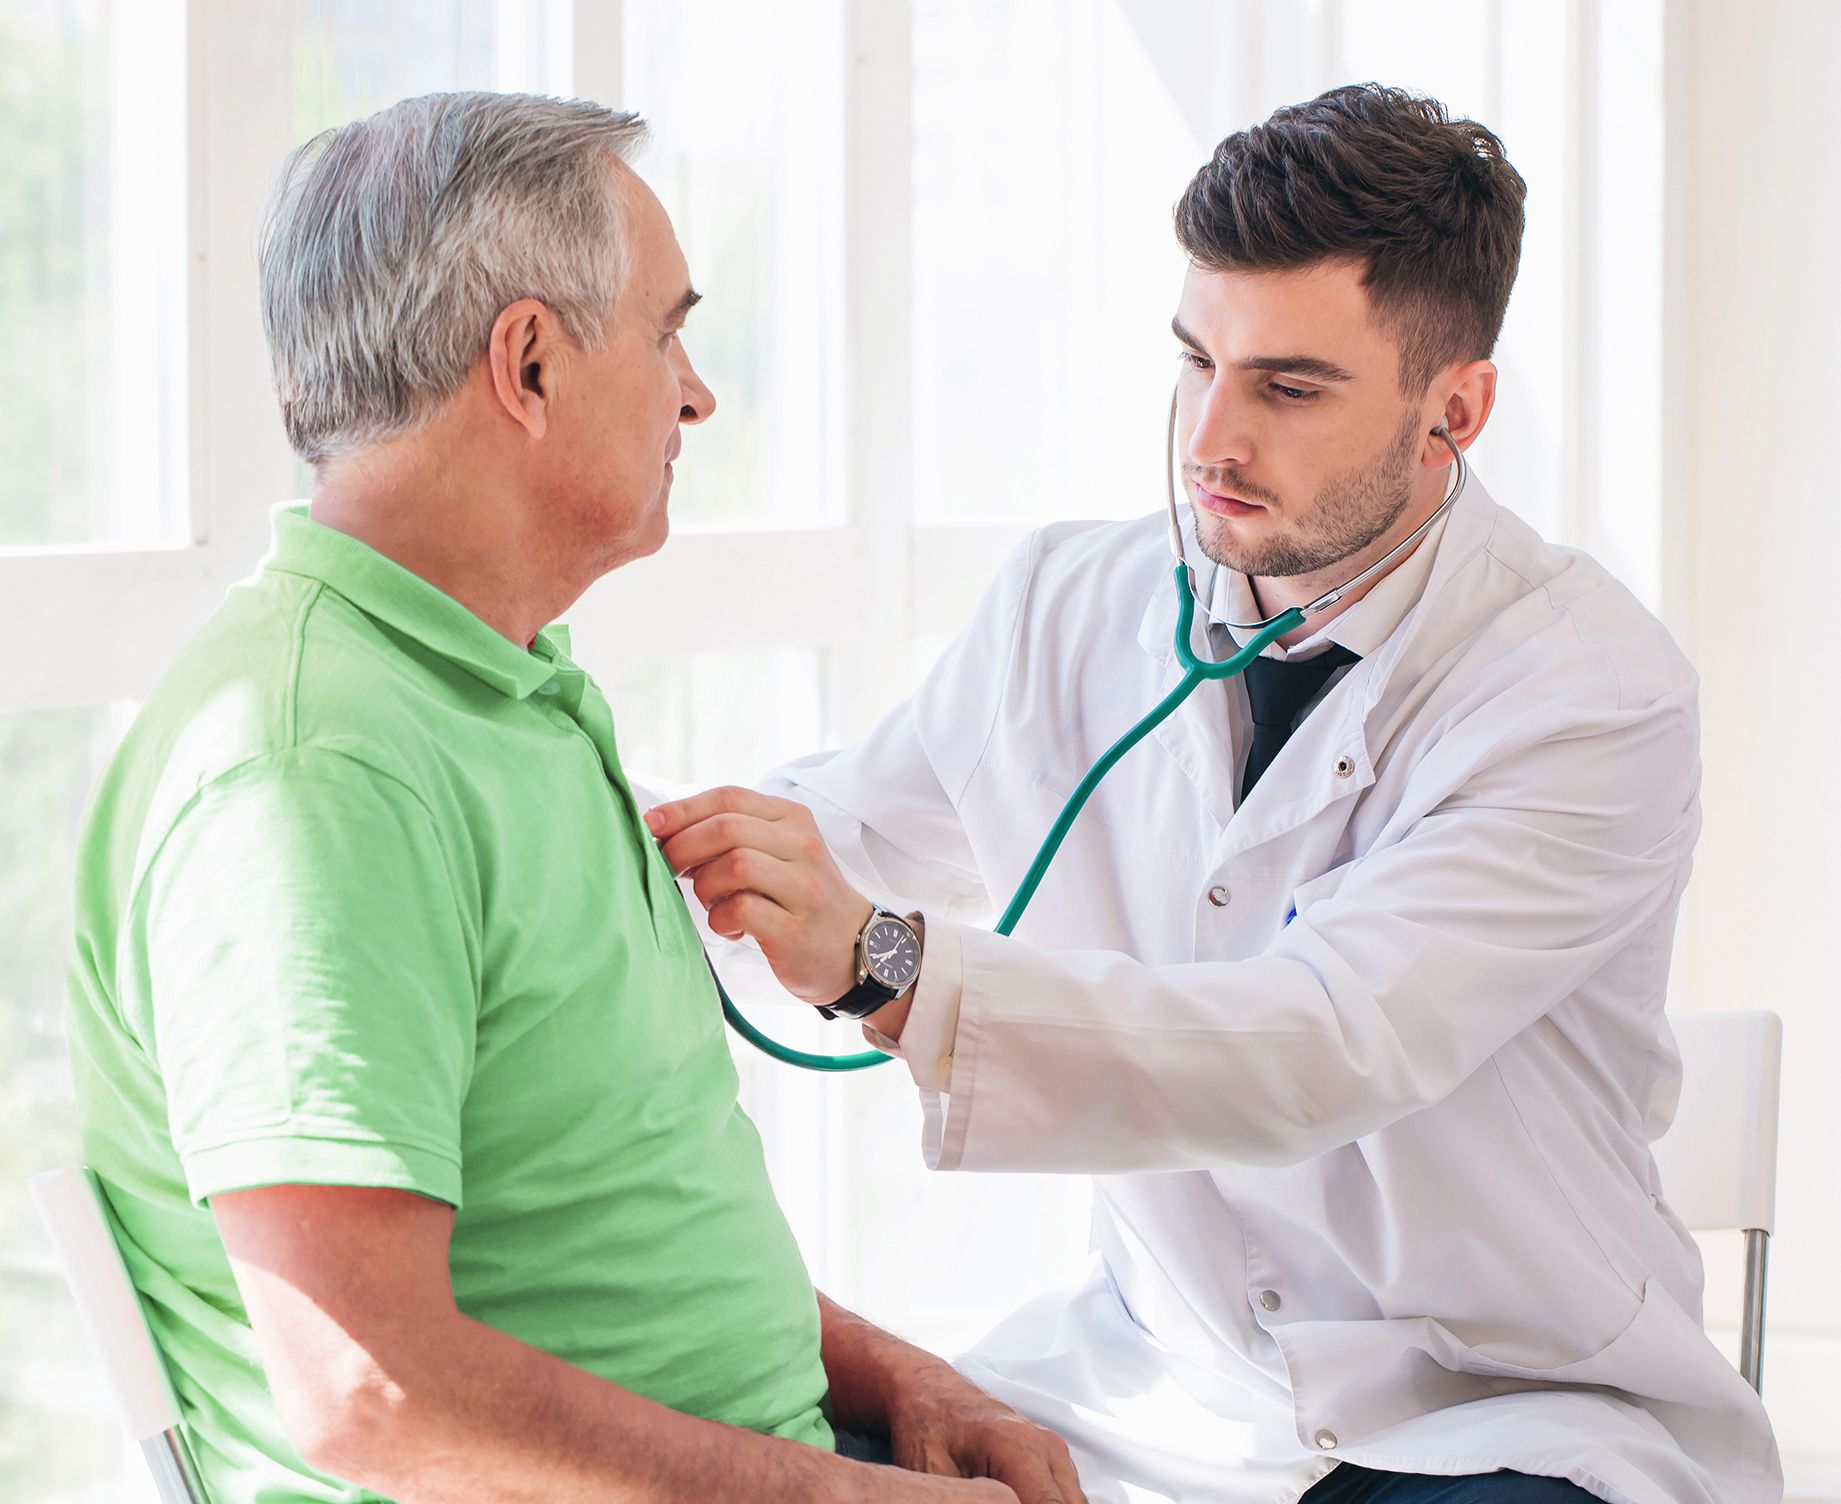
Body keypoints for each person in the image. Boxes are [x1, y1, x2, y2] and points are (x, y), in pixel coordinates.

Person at [644, 85, 1783, 1504]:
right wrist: (581, 824)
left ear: (1454, 413)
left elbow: (1314, 1043)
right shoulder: (1068, 605)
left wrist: (883, 965)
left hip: (1491, 1408)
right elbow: (831, 827)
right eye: (1196, 362)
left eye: (1287, 387)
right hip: (1147, 1395)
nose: (1209, 440)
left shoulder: (1583, 691)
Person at [64, 92, 1083, 1504]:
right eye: (668, 330)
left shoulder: (503, 687)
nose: (696, 391)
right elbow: (372, 1395)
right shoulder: (315, 772)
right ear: (530, 364)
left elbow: (604, 1228)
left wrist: (901, 1382)